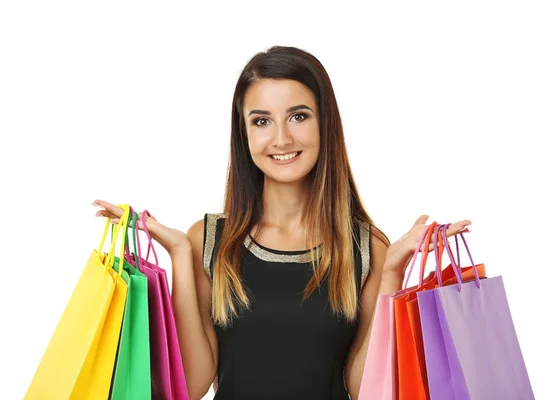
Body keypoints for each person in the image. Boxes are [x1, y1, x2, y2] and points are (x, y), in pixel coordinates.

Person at [92, 45, 470, 400]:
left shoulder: (365, 247)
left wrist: (392, 276)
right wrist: (178, 254)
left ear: (326, 123)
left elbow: (366, 390)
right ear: (244, 132)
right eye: (261, 121)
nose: (281, 138)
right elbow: (190, 386)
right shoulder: (208, 240)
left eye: (299, 116)